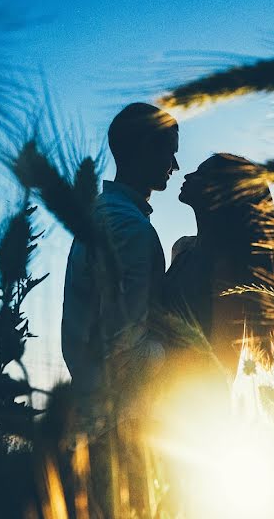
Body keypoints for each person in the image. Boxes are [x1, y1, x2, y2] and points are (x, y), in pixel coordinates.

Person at [61, 102, 179, 515]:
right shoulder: (127, 226)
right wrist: (180, 352)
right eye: (170, 152)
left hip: (102, 420)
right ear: (146, 149)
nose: (176, 165)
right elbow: (123, 349)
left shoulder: (104, 215)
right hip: (123, 426)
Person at [163, 153, 274, 378]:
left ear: (221, 192)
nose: (189, 175)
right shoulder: (182, 248)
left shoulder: (225, 269)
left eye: (201, 174)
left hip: (185, 395)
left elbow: (222, 362)